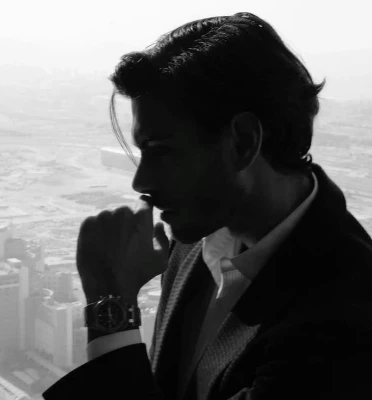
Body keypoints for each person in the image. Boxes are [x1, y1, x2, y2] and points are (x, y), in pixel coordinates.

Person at [42, 12, 372, 400]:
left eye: (160, 150)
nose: (140, 181)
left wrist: (111, 307)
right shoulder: (195, 241)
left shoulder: (348, 316)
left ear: (243, 142)